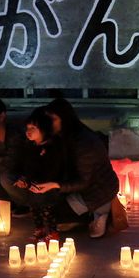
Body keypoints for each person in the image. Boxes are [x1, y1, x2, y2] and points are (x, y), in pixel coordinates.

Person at [45, 98, 119, 238]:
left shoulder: (84, 143)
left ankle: (99, 214)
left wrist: (56, 185)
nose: (49, 124)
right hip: (83, 189)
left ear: (65, 119)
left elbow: (84, 182)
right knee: (49, 209)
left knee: (56, 215)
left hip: (98, 192)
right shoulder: (63, 137)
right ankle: (84, 216)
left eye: (53, 119)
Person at [7, 109, 66, 242]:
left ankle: (52, 231)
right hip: (34, 185)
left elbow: (54, 169)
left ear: (44, 129)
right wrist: (24, 179)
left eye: (33, 128)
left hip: (49, 187)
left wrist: (43, 183)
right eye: (27, 128)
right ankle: (39, 229)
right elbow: (27, 166)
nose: (28, 131)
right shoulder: (30, 147)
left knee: (47, 209)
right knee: (34, 208)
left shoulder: (53, 147)